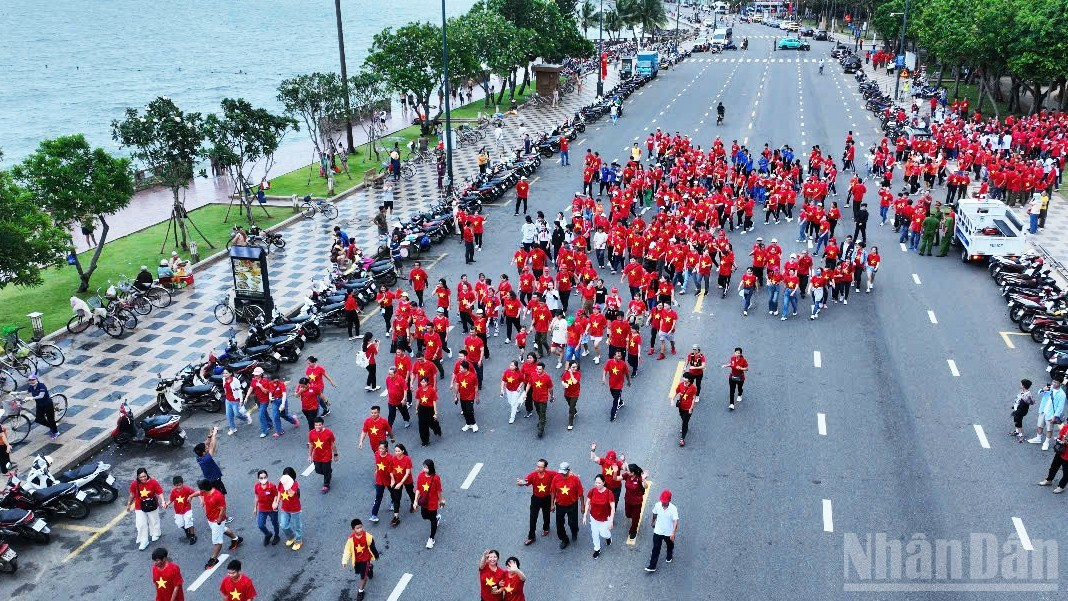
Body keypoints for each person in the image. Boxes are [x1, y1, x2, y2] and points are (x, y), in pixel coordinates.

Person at [197, 479, 242, 570]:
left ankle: (213, 559)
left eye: (201, 489)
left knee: (217, 541)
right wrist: (190, 496)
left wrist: (219, 520)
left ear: (204, 489)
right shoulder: (205, 492)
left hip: (217, 521)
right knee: (223, 529)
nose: (200, 491)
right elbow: (198, 493)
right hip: (211, 519)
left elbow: (223, 509)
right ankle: (236, 539)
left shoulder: (217, 496)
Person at [516, 459, 557, 545]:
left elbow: (560, 476)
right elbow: (526, 481)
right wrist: (521, 483)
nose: (537, 468)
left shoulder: (550, 474)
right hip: (536, 499)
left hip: (547, 498)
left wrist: (571, 474)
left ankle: (546, 528)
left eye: (540, 467)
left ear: (545, 467)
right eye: (537, 466)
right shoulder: (533, 475)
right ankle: (531, 537)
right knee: (533, 518)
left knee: (546, 515)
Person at [341, 519, 380, 601]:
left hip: (365, 559)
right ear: (353, 530)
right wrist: (344, 561)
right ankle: (369, 568)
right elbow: (347, 550)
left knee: (363, 577)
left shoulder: (368, 537)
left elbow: (372, 547)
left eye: (361, 527)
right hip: (357, 560)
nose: (360, 529)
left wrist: (376, 555)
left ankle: (360, 591)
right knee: (359, 572)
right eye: (357, 528)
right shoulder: (351, 539)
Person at [127, 467, 164, 550]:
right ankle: (144, 540)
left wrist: (163, 501)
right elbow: (132, 494)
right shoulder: (134, 483)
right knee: (140, 524)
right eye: (140, 477)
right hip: (139, 505)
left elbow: (159, 492)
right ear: (137, 477)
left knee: (154, 520)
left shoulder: (153, 482)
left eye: (144, 476)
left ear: (147, 474)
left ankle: (156, 533)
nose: (143, 478)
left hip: (152, 503)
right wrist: (129, 504)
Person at [551, 461, 583, 549]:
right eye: (561, 473)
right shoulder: (556, 478)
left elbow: (580, 493)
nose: (563, 475)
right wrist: (552, 504)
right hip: (560, 505)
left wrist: (582, 506)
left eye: (564, 473)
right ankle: (564, 539)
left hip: (572, 505)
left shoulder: (575, 479)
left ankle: (574, 532)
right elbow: (553, 491)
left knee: (572, 523)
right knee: (559, 524)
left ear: (569, 471)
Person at [645, 490, 679, 572]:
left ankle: (669, 554)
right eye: (662, 501)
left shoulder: (673, 509)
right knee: (655, 548)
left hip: (668, 532)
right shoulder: (657, 505)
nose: (663, 503)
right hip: (658, 530)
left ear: (669, 500)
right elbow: (655, 513)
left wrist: (673, 533)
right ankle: (652, 566)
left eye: (665, 501)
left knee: (670, 545)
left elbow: (675, 521)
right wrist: (653, 521)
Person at [413, 458, 444, 549]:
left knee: (432, 521)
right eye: (423, 467)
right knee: (424, 516)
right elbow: (418, 489)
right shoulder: (420, 475)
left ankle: (431, 538)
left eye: (426, 467)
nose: (424, 469)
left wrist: (441, 500)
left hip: (433, 502)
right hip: (424, 501)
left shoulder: (436, 478)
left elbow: (438, 491)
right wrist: (415, 501)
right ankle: (436, 518)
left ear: (431, 468)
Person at [583, 474, 615, 558]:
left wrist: (611, 520)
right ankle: (597, 549)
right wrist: (585, 515)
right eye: (596, 483)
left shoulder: (609, 493)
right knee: (595, 533)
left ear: (604, 483)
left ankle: (608, 537)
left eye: (599, 483)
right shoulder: (592, 491)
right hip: (594, 517)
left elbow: (612, 507)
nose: (597, 485)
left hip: (604, 518)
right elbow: (588, 502)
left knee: (604, 534)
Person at [1029, 380, 1066, 450]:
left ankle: (1046, 443)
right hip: (1043, 410)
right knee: (1040, 425)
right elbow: (1039, 392)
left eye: (1056, 382)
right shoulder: (1050, 387)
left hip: (1051, 414)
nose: (1053, 384)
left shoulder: (1062, 394)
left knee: (1049, 430)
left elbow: (1060, 407)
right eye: (1053, 382)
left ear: (1060, 384)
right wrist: (1043, 389)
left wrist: (1055, 416)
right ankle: (1038, 438)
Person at [274, 467, 304, 550]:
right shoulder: (281, 482)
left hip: (295, 509)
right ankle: (291, 537)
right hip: (285, 508)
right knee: (284, 525)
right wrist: (276, 502)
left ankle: (298, 541)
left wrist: (288, 485)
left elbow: (291, 494)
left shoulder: (294, 484)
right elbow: (279, 492)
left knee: (296, 526)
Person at [388, 444, 415, 527]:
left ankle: (413, 503)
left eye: (398, 451)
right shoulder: (393, 458)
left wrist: (400, 483)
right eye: (395, 451)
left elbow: (407, 473)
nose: (396, 452)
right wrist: (392, 480)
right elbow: (390, 470)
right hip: (397, 480)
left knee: (410, 492)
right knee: (397, 498)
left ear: (403, 451)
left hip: (407, 480)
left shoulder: (407, 459)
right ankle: (396, 517)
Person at [194, 427, 227, 494]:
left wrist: (210, 436)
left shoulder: (198, 457)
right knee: (220, 493)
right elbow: (212, 446)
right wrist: (214, 435)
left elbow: (206, 444)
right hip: (215, 479)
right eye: (206, 448)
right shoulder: (207, 459)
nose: (207, 447)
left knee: (213, 491)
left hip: (210, 479)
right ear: (203, 453)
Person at [165, 475, 197, 545]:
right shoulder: (173, 492)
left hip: (187, 509)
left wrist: (193, 497)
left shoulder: (186, 488)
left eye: (180, 485)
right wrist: (167, 504)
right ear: (174, 485)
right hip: (178, 511)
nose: (179, 487)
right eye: (177, 485)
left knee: (189, 522)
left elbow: (195, 493)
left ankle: (192, 536)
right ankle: (187, 530)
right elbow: (171, 500)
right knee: (180, 523)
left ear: (182, 483)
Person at [1039, 419, 1068, 493]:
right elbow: (1060, 437)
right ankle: (1049, 480)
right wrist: (1059, 440)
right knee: (1053, 467)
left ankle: (1061, 486)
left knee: (1066, 473)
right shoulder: (1066, 427)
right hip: (1061, 451)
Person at [622, 464, 650, 540]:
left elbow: (646, 486)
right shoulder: (627, 475)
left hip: (636, 503)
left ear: (633, 473)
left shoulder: (639, 478)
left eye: (628, 471)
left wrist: (643, 479)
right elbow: (616, 478)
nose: (626, 471)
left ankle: (633, 531)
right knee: (628, 515)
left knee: (635, 518)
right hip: (628, 500)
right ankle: (632, 519)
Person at [602, 351, 632, 422]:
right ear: (614, 356)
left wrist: (629, 381)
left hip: (619, 386)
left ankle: (613, 415)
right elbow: (605, 370)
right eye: (618, 355)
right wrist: (603, 377)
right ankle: (621, 402)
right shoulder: (609, 362)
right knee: (615, 396)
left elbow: (627, 373)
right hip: (612, 384)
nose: (619, 357)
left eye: (620, 356)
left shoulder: (623, 364)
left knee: (615, 400)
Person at [253, 469, 280, 546]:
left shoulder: (271, 486)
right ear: (258, 478)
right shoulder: (257, 486)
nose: (263, 479)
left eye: (264, 477)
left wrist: (275, 502)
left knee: (275, 523)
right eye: (261, 478)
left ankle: (277, 536)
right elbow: (256, 497)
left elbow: (277, 495)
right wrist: (255, 507)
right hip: (262, 509)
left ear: (267, 477)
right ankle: (268, 534)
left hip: (272, 509)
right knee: (260, 525)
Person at [27, 374, 58, 440]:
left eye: (33, 379)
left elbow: (41, 396)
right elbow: (26, 391)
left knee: (50, 419)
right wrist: (16, 393)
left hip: (47, 404)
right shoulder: (31, 387)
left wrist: (31, 398)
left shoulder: (41, 386)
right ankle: (51, 426)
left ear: (36, 379)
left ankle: (55, 432)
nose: (31, 381)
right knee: (38, 419)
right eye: (30, 380)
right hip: (39, 405)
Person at [672, 373, 699, 446]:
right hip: (681, 407)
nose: (684, 379)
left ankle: (682, 439)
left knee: (685, 422)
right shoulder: (681, 384)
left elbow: (693, 398)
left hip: (688, 408)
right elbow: (677, 391)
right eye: (684, 377)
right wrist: (672, 399)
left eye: (686, 378)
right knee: (682, 418)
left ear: (689, 379)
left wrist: (691, 408)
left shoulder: (693, 388)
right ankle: (685, 427)